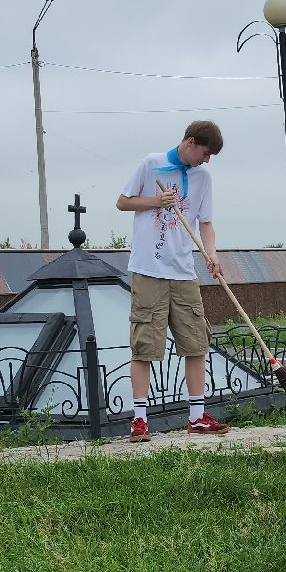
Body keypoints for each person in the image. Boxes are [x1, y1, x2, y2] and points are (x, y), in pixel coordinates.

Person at [114, 120, 229, 441]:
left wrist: (211, 253)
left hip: (184, 272)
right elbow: (122, 201)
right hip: (148, 270)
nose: (206, 160)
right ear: (190, 142)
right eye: (205, 153)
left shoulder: (203, 177)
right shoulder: (151, 164)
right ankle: (139, 420)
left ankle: (197, 417)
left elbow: (206, 223)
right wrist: (156, 202)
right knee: (144, 346)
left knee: (196, 343)